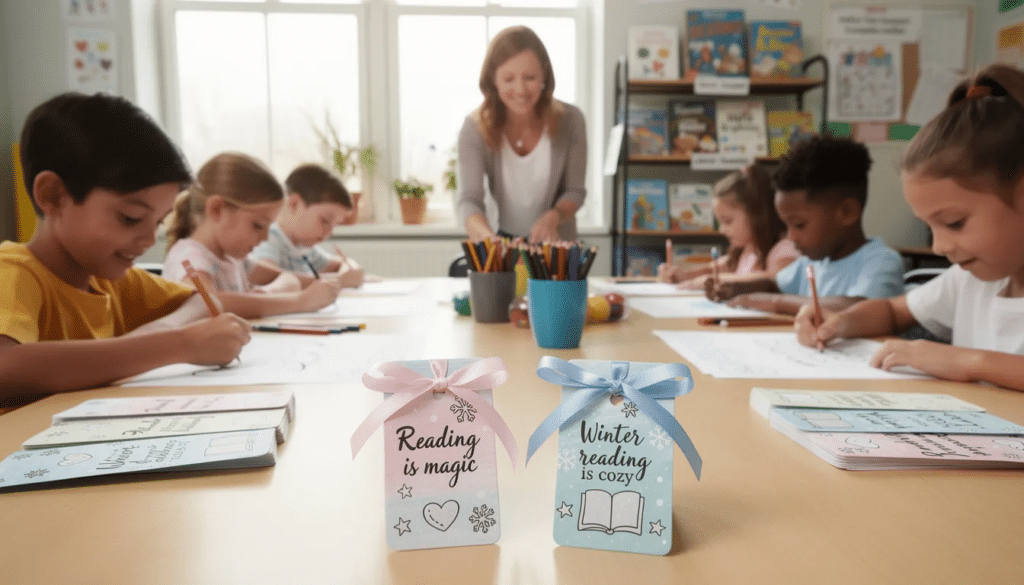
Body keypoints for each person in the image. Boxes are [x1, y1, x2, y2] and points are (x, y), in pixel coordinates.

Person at [0, 93, 251, 398]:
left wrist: (158, 332)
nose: (148, 240)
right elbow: (5, 367)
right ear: (54, 196)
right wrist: (177, 344)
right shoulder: (13, 273)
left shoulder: (112, 281)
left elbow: (200, 300)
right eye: (131, 218)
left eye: (158, 222)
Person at [795, 64, 1024, 391]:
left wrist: (962, 360)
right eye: (931, 228)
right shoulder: (969, 281)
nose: (939, 247)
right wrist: (842, 322)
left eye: (954, 223)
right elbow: (891, 310)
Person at [706, 134, 904, 315]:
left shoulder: (881, 261)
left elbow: (864, 308)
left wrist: (778, 302)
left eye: (799, 225)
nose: (791, 238)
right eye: (787, 225)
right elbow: (773, 283)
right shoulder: (812, 260)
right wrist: (736, 289)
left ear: (846, 213)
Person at [163, 153, 341, 317]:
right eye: (257, 226)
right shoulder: (187, 259)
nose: (265, 238)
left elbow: (287, 278)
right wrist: (300, 301)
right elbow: (207, 303)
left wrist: (268, 294)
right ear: (216, 209)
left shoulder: (234, 259)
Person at [456, 25, 587, 243]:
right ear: (493, 79)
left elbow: (575, 191)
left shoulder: (571, 120)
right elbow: (469, 200)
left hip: (556, 246)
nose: (520, 90)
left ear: (544, 75)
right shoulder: (474, 128)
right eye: (508, 79)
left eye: (530, 77)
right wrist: (489, 239)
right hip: (502, 243)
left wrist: (552, 218)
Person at [657, 164, 797, 288]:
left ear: (757, 215)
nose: (721, 230)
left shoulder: (784, 248)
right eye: (719, 222)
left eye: (728, 221)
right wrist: (682, 274)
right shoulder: (747, 249)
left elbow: (775, 279)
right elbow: (713, 269)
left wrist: (712, 280)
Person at [248, 163, 366, 289]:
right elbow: (265, 275)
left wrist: (350, 269)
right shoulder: (268, 238)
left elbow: (341, 263)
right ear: (294, 204)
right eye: (325, 220)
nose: (330, 232)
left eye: (335, 224)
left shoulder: (304, 248)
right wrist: (338, 280)